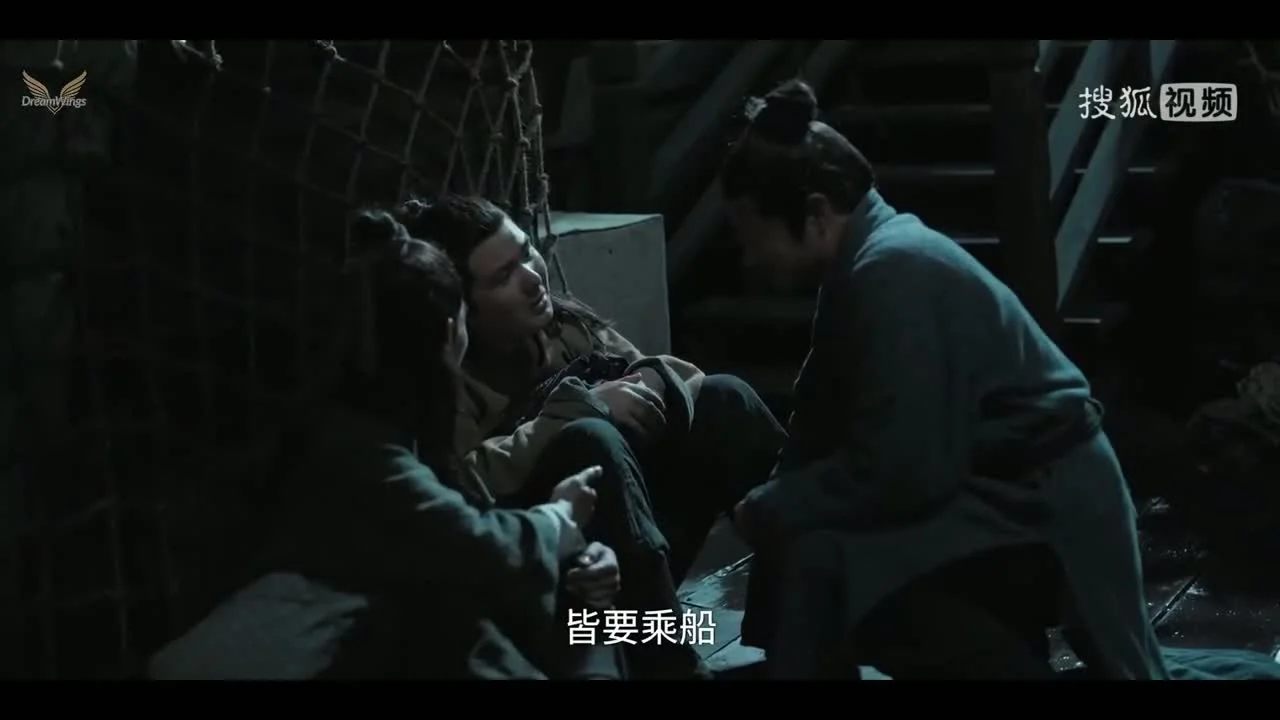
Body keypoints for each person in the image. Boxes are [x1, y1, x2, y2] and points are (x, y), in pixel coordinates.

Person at [722, 79, 1171, 680]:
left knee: (845, 569)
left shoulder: (894, 267)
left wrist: (777, 504)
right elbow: (817, 419)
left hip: (1043, 499)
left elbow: (905, 470)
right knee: (809, 548)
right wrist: (774, 503)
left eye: (754, 235)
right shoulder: (858, 273)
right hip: (989, 493)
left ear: (817, 214)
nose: (750, 257)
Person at [148, 210, 624, 680]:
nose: (530, 279)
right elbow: (476, 545)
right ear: (449, 333)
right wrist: (559, 519)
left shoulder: (381, 431)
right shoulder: (357, 454)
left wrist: (575, 560)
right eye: (498, 277)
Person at [394, 195, 787, 678]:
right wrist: (580, 410)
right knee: (590, 439)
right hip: (553, 589)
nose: (533, 278)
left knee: (725, 397)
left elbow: (670, 375)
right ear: (463, 308)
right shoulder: (447, 380)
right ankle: (670, 667)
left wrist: (647, 383)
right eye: (503, 276)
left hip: (630, 554)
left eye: (526, 253)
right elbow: (461, 484)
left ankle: (799, 614)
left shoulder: (562, 328)